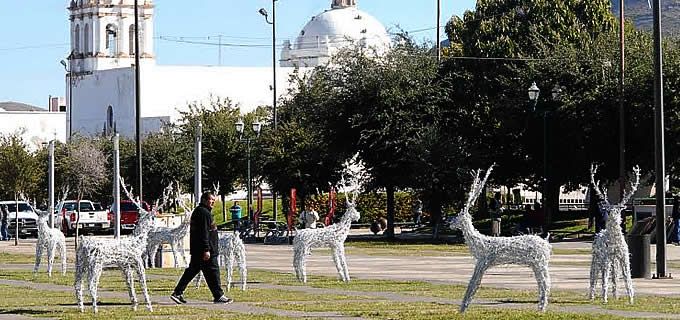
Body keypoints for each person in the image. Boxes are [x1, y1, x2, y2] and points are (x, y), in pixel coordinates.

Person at [170, 192, 233, 305]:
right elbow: (203, 233)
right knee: (213, 272)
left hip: (199, 250)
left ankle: (177, 293)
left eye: (214, 200)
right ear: (204, 200)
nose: (213, 202)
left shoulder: (201, 211)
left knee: (192, 272)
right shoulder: (203, 213)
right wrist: (206, 249)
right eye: (211, 200)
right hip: (204, 251)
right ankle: (219, 296)